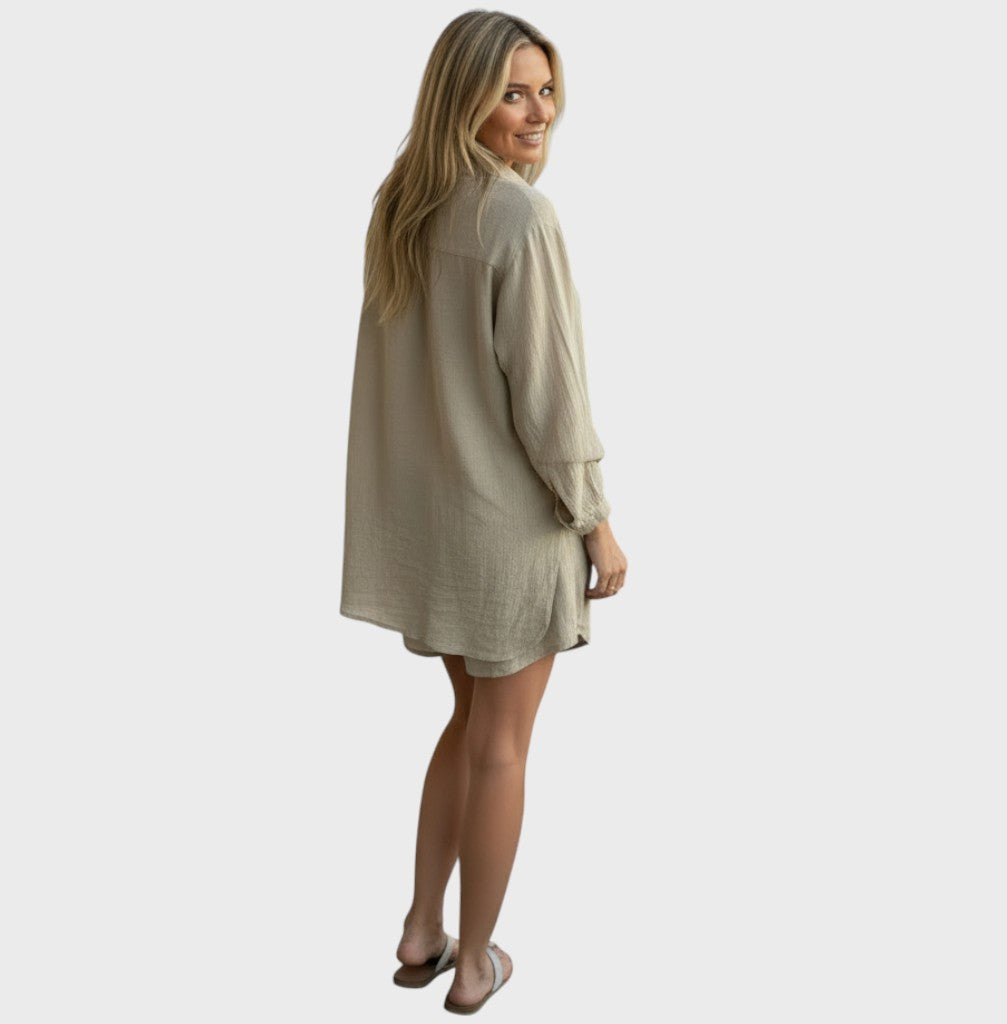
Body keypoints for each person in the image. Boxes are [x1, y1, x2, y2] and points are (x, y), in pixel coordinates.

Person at [339, 10, 628, 1014]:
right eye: (513, 93)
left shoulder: (401, 204)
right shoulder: (518, 218)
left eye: (546, 91)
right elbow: (551, 398)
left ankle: (422, 929)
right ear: (462, 98)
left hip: (436, 530)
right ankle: (473, 966)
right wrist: (595, 520)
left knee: (468, 723)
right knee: (502, 744)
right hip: (509, 529)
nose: (538, 113)